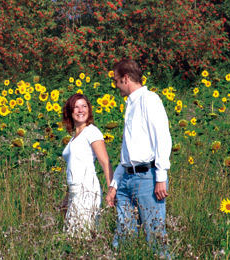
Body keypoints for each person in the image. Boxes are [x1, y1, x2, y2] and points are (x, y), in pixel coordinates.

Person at [105, 59, 172, 258]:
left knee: (155, 237)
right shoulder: (130, 105)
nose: (115, 86)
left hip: (148, 177)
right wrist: (114, 185)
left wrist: (160, 177)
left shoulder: (149, 100)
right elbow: (127, 154)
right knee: (123, 237)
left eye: (116, 81)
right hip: (126, 179)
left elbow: (162, 138)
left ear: (126, 78)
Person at [61, 93, 114, 237]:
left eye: (84, 106)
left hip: (87, 191)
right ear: (70, 112)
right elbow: (73, 168)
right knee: (72, 236)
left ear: (89, 110)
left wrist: (111, 188)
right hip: (74, 191)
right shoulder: (74, 137)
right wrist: (67, 197)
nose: (80, 110)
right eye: (76, 107)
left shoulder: (92, 131)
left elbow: (105, 161)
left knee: (81, 236)